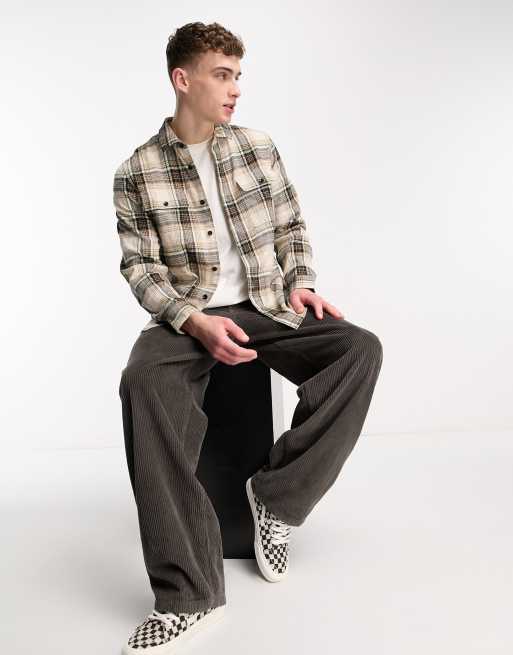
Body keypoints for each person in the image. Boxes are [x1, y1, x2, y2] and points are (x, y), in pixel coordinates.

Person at [113, 21, 383, 654]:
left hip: (266, 305)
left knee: (358, 349)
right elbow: (140, 268)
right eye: (222, 75)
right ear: (183, 80)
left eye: (238, 75)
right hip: (189, 316)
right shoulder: (137, 170)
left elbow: (291, 226)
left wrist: (302, 283)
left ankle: (276, 500)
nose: (235, 89)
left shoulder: (258, 147)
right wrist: (194, 320)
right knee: (141, 381)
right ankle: (189, 596)